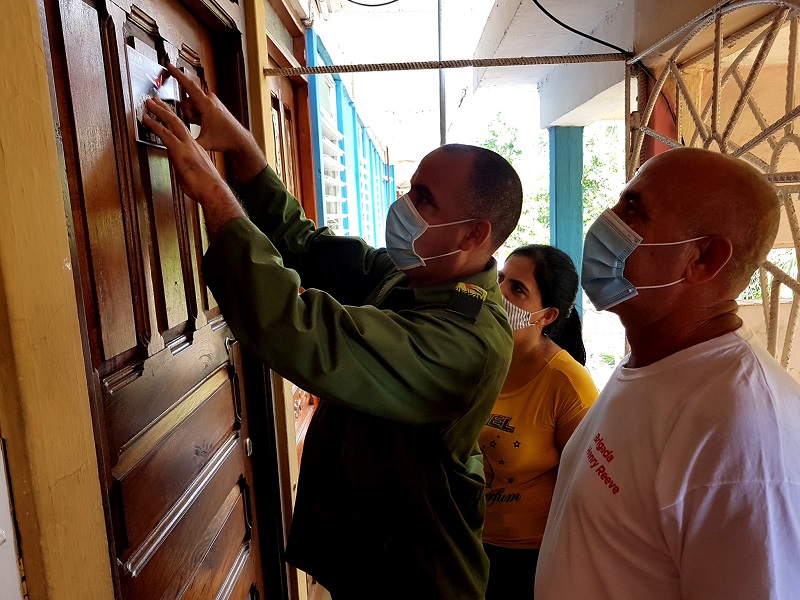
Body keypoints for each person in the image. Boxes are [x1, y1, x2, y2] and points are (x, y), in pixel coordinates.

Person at [142, 64, 523, 599]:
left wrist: (214, 193)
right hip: (373, 559)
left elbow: (304, 331)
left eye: (424, 198)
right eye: (410, 189)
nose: (405, 206)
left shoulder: (467, 341)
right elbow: (305, 244)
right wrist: (244, 149)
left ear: (473, 232)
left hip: (419, 581)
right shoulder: (408, 277)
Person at [535, 147, 800, 599]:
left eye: (633, 210)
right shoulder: (653, 358)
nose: (607, 221)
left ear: (703, 258)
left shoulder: (741, 433)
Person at [481, 244, 597, 599]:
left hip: (529, 559)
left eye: (518, 289)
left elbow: (587, 491)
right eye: (501, 279)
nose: (500, 292)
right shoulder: (474, 356)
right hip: (465, 541)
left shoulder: (568, 385)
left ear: (547, 315)